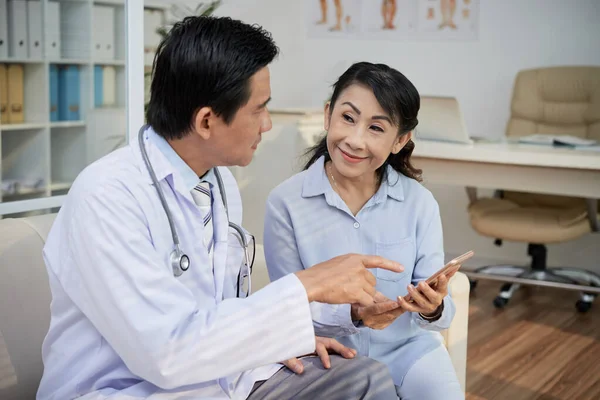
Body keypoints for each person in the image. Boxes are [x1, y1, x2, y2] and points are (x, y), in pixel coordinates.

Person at [36, 18, 404, 400]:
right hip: (130, 389)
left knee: (365, 379)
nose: (268, 124)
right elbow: (168, 354)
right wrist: (307, 284)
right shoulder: (107, 197)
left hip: (225, 379)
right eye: (259, 110)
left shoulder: (219, 182)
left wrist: (282, 339)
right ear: (207, 121)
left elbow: (222, 312)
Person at [264, 62, 464, 400]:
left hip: (410, 351)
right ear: (328, 116)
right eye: (347, 118)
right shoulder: (285, 202)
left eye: (376, 128)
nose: (355, 140)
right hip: (328, 356)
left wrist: (433, 307)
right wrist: (353, 315)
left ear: (400, 140)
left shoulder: (419, 203)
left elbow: (438, 312)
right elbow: (287, 306)